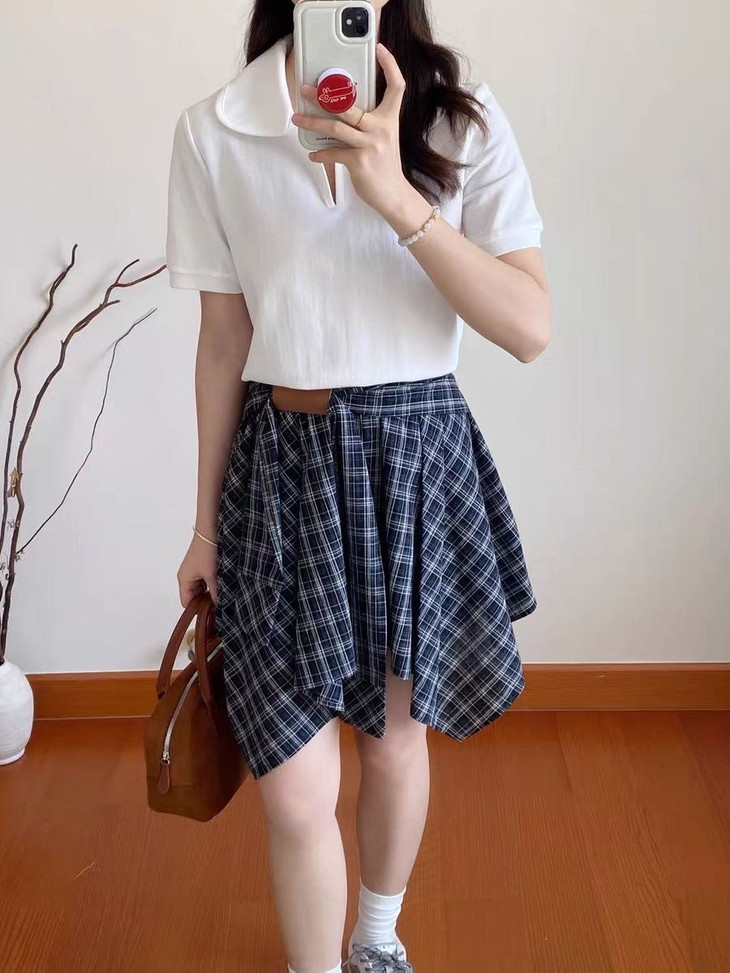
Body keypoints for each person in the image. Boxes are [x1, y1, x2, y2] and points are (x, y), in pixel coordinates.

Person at [166, 2, 550, 971]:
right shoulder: (217, 128)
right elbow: (222, 343)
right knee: (295, 787)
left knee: (391, 741)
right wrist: (204, 526)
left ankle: (377, 937)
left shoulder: (456, 118)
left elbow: (528, 326)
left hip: (415, 461)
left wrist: (395, 196)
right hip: (280, 471)